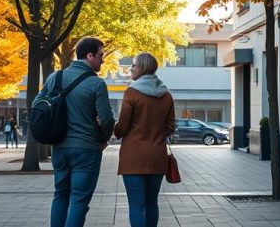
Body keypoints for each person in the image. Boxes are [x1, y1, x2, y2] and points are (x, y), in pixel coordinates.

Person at [34, 36, 114, 227]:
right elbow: (107, 119)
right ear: (90, 55)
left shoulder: (55, 77)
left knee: (60, 195)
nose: (103, 59)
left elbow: (37, 104)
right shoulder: (97, 84)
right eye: (101, 55)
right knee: (79, 200)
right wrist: (104, 139)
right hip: (87, 149)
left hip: (60, 148)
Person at [114, 52, 176, 227]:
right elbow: (170, 127)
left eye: (134, 65)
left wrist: (114, 129)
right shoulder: (166, 95)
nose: (131, 68)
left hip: (133, 157)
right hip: (157, 156)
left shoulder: (132, 93)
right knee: (152, 203)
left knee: (136, 204)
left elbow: (123, 125)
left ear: (142, 68)